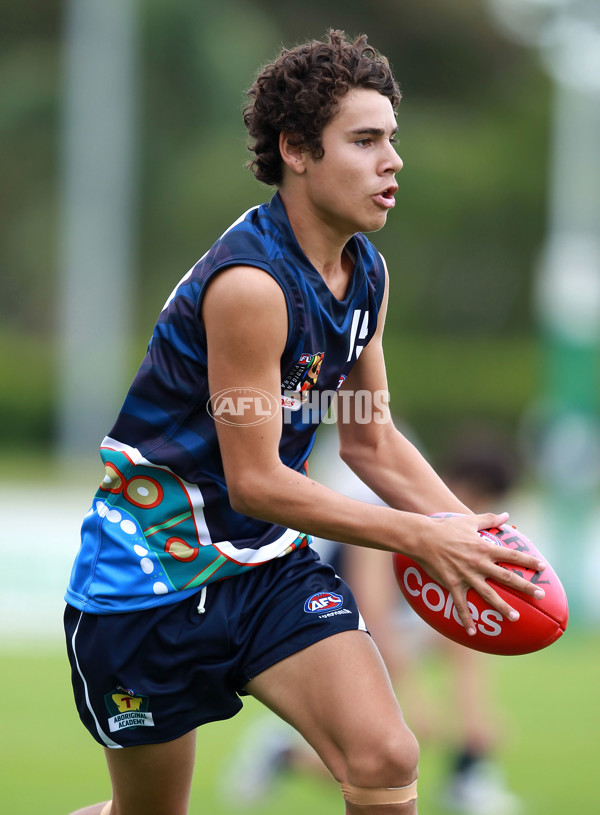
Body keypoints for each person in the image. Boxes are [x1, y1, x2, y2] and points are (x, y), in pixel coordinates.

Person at [64, 31, 547, 815]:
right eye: (364, 140)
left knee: (386, 756)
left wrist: (476, 538)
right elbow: (256, 482)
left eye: (392, 139)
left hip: (266, 572)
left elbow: (371, 437)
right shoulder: (251, 284)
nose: (392, 161)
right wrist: (420, 536)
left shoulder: (366, 274)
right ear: (296, 149)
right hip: (146, 583)